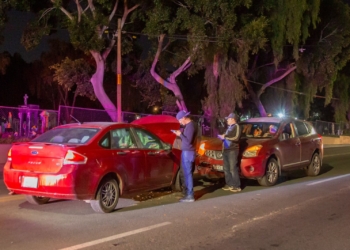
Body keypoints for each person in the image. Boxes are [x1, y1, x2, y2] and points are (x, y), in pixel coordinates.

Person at [173, 110, 198, 202]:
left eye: (180, 120)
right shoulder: (190, 126)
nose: (180, 122)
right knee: (187, 173)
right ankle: (188, 194)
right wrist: (181, 134)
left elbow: (188, 141)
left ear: (183, 118)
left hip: (188, 152)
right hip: (187, 151)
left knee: (187, 174)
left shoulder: (190, 126)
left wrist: (180, 135)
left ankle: (190, 195)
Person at [217, 113, 242, 192]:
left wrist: (225, 137)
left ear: (233, 119)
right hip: (226, 150)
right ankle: (229, 184)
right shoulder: (229, 127)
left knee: (232, 168)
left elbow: (236, 137)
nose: (227, 120)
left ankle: (237, 186)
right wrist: (223, 137)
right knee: (226, 168)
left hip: (232, 150)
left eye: (228, 119)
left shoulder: (237, 126)